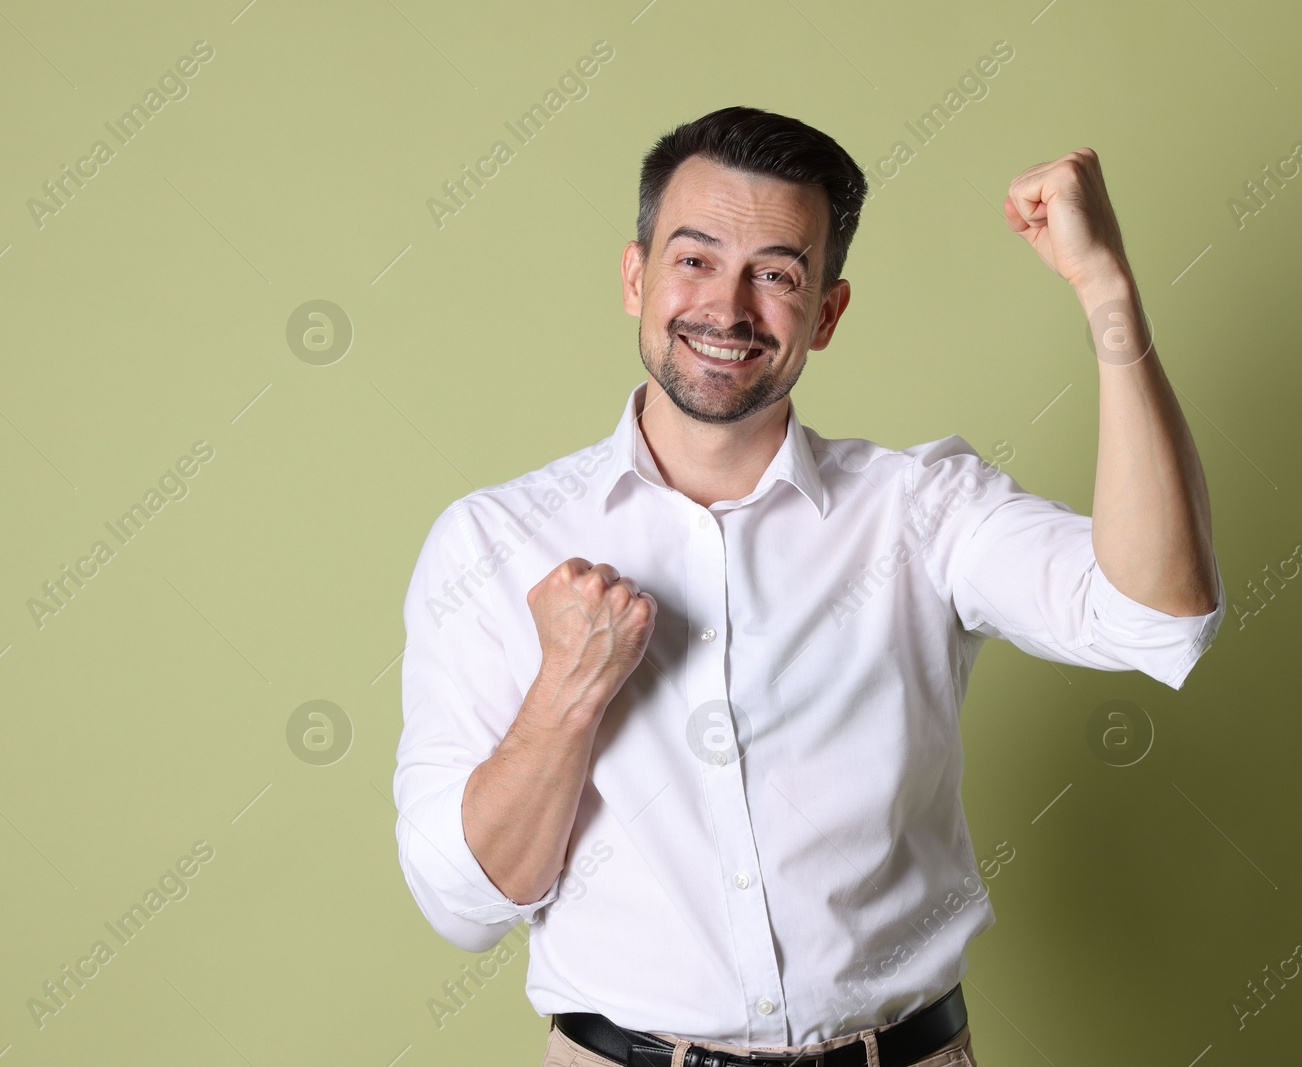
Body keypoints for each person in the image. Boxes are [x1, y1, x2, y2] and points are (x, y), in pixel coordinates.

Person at [393, 106, 1224, 1067]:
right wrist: (566, 694)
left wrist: (1103, 285)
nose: (729, 308)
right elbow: (464, 904)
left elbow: (1158, 616)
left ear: (825, 314)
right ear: (636, 276)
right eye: (695, 260)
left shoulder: (920, 512)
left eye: (778, 274)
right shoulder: (494, 542)